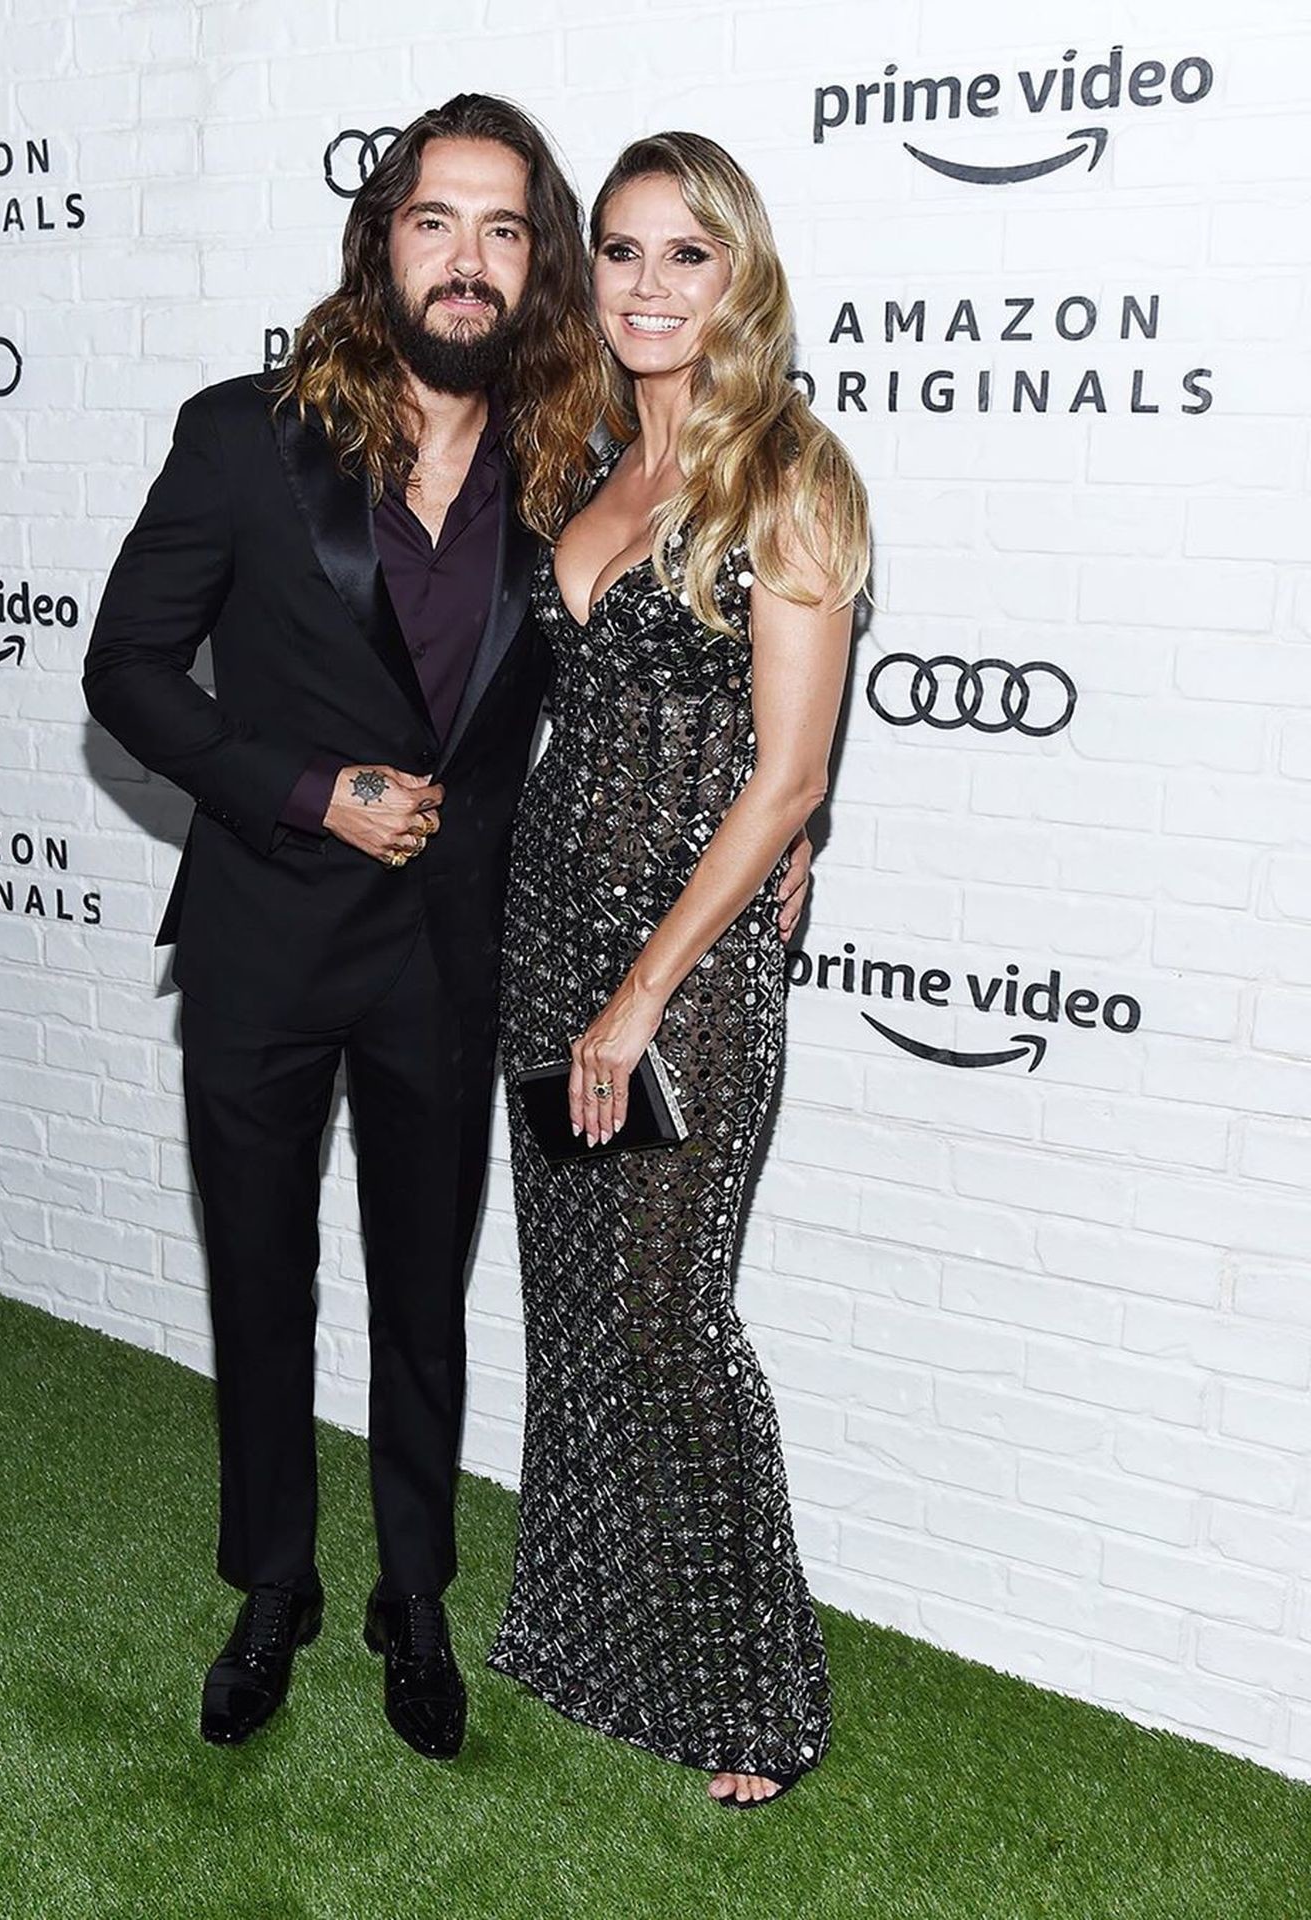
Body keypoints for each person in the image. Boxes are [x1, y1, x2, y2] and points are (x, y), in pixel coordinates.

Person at [81, 93, 605, 1761]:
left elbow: (667, 675)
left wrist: (783, 818)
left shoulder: (572, 468)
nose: (468, 260)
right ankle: (273, 1583)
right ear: (383, 240)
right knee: (260, 1277)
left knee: (423, 1298)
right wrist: (312, 792)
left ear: (538, 261)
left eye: (504, 228)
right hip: (262, 935)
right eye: (437, 221)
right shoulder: (245, 438)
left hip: (449, 953)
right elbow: (127, 672)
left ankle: (413, 1594)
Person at [489, 132, 869, 1808]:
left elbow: (787, 776)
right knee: (575, 1308)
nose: (648, 287)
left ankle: (757, 1701)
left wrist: (642, 992)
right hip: (544, 933)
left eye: (686, 255)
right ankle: (587, 1641)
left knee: (667, 1322)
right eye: (622, 251)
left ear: (741, 275)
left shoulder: (788, 472)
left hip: (684, 971)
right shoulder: (586, 460)